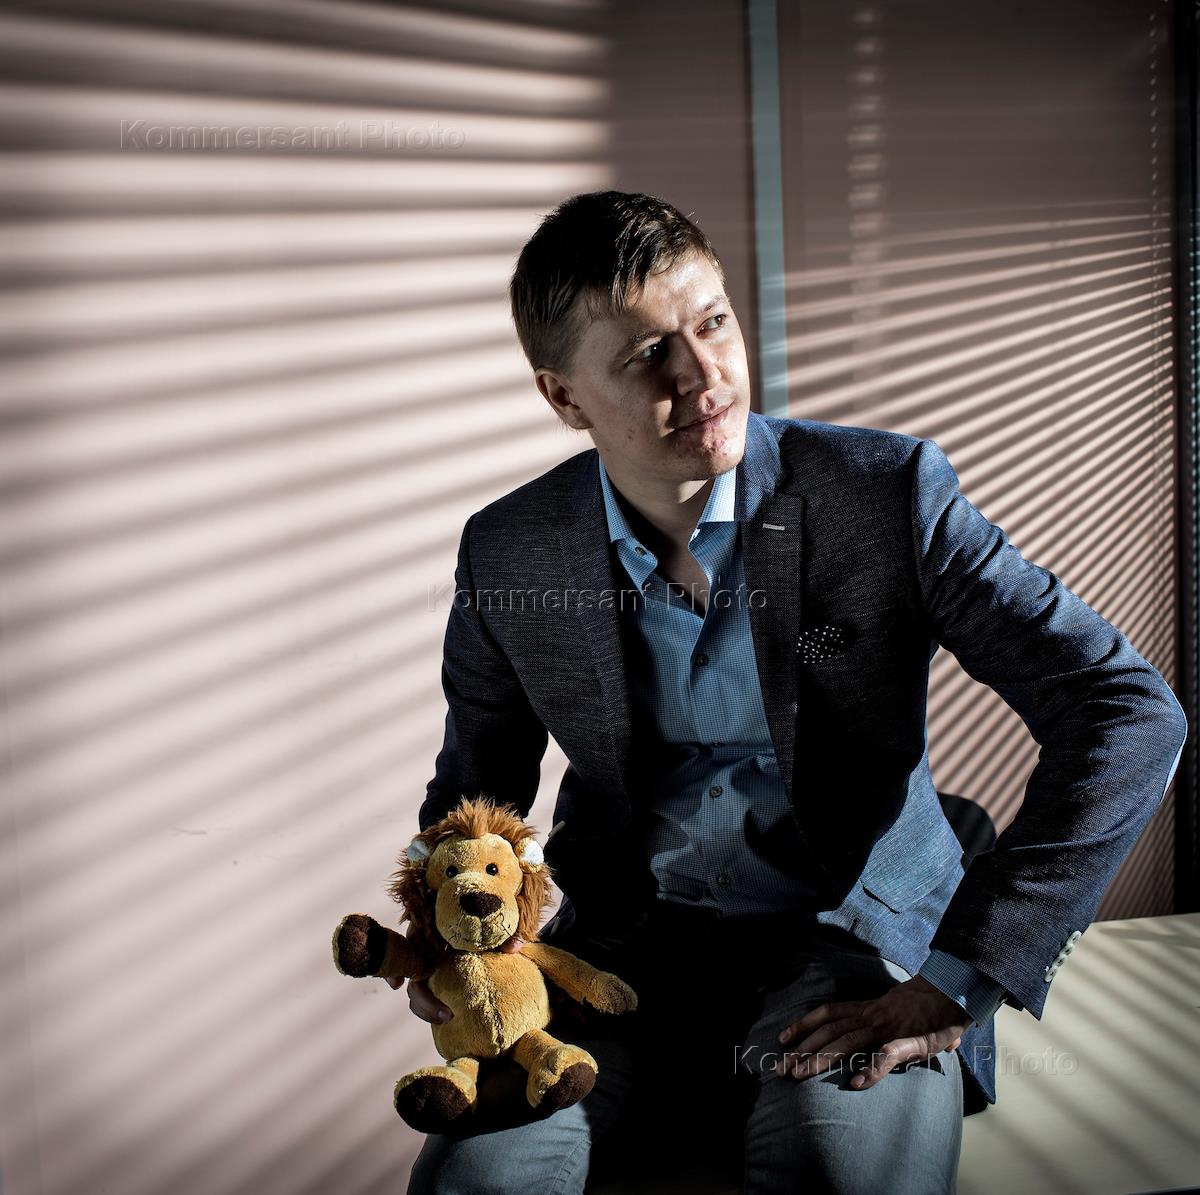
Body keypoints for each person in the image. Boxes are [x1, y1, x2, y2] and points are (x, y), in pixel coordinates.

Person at [398, 191, 1188, 1193]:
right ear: (565, 398)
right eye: (648, 355)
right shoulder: (511, 549)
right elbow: (478, 786)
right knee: (471, 1186)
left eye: (713, 323)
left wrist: (960, 979)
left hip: (852, 948)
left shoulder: (886, 494)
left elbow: (1124, 708)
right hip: (619, 957)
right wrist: (442, 938)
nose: (704, 375)